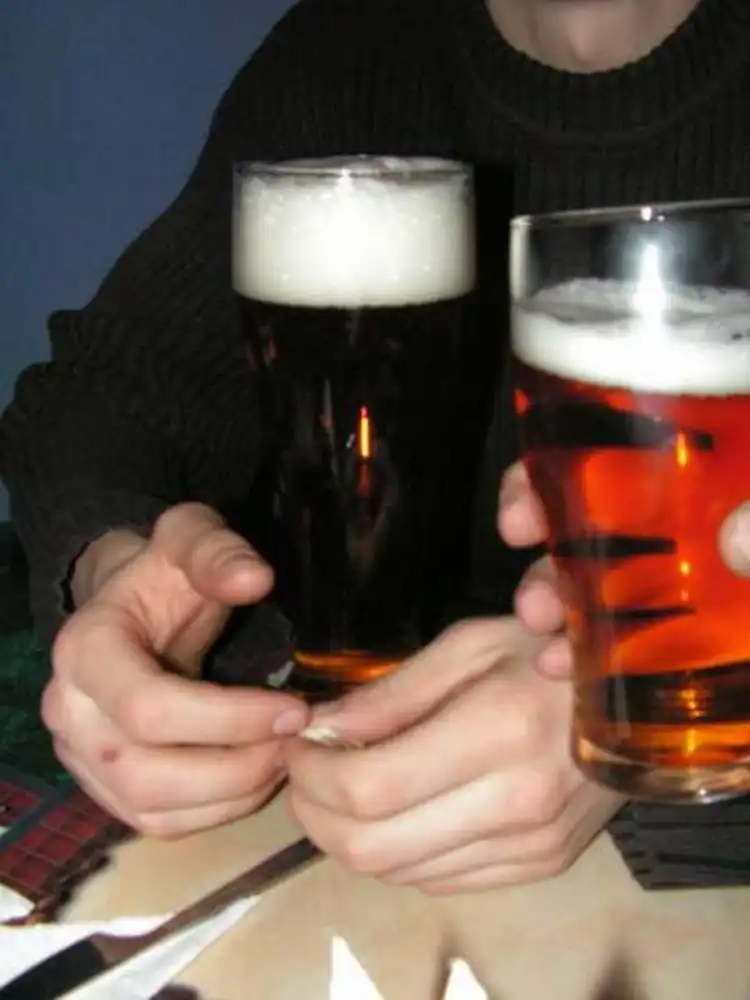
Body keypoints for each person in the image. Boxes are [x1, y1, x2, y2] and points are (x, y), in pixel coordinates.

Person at [3, 0, 750, 893]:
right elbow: (102, 393)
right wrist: (114, 572)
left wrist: (647, 712)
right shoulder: (345, 46)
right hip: (340, 817)